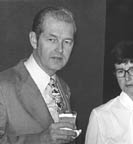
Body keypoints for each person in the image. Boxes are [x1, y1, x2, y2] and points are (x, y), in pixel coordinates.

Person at [0, 6, 78, 144]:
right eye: (51, 39)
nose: (60, 49)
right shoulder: (3, 86)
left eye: (67, 42)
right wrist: (41, 139)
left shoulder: (63, 87)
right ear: (34, 40)